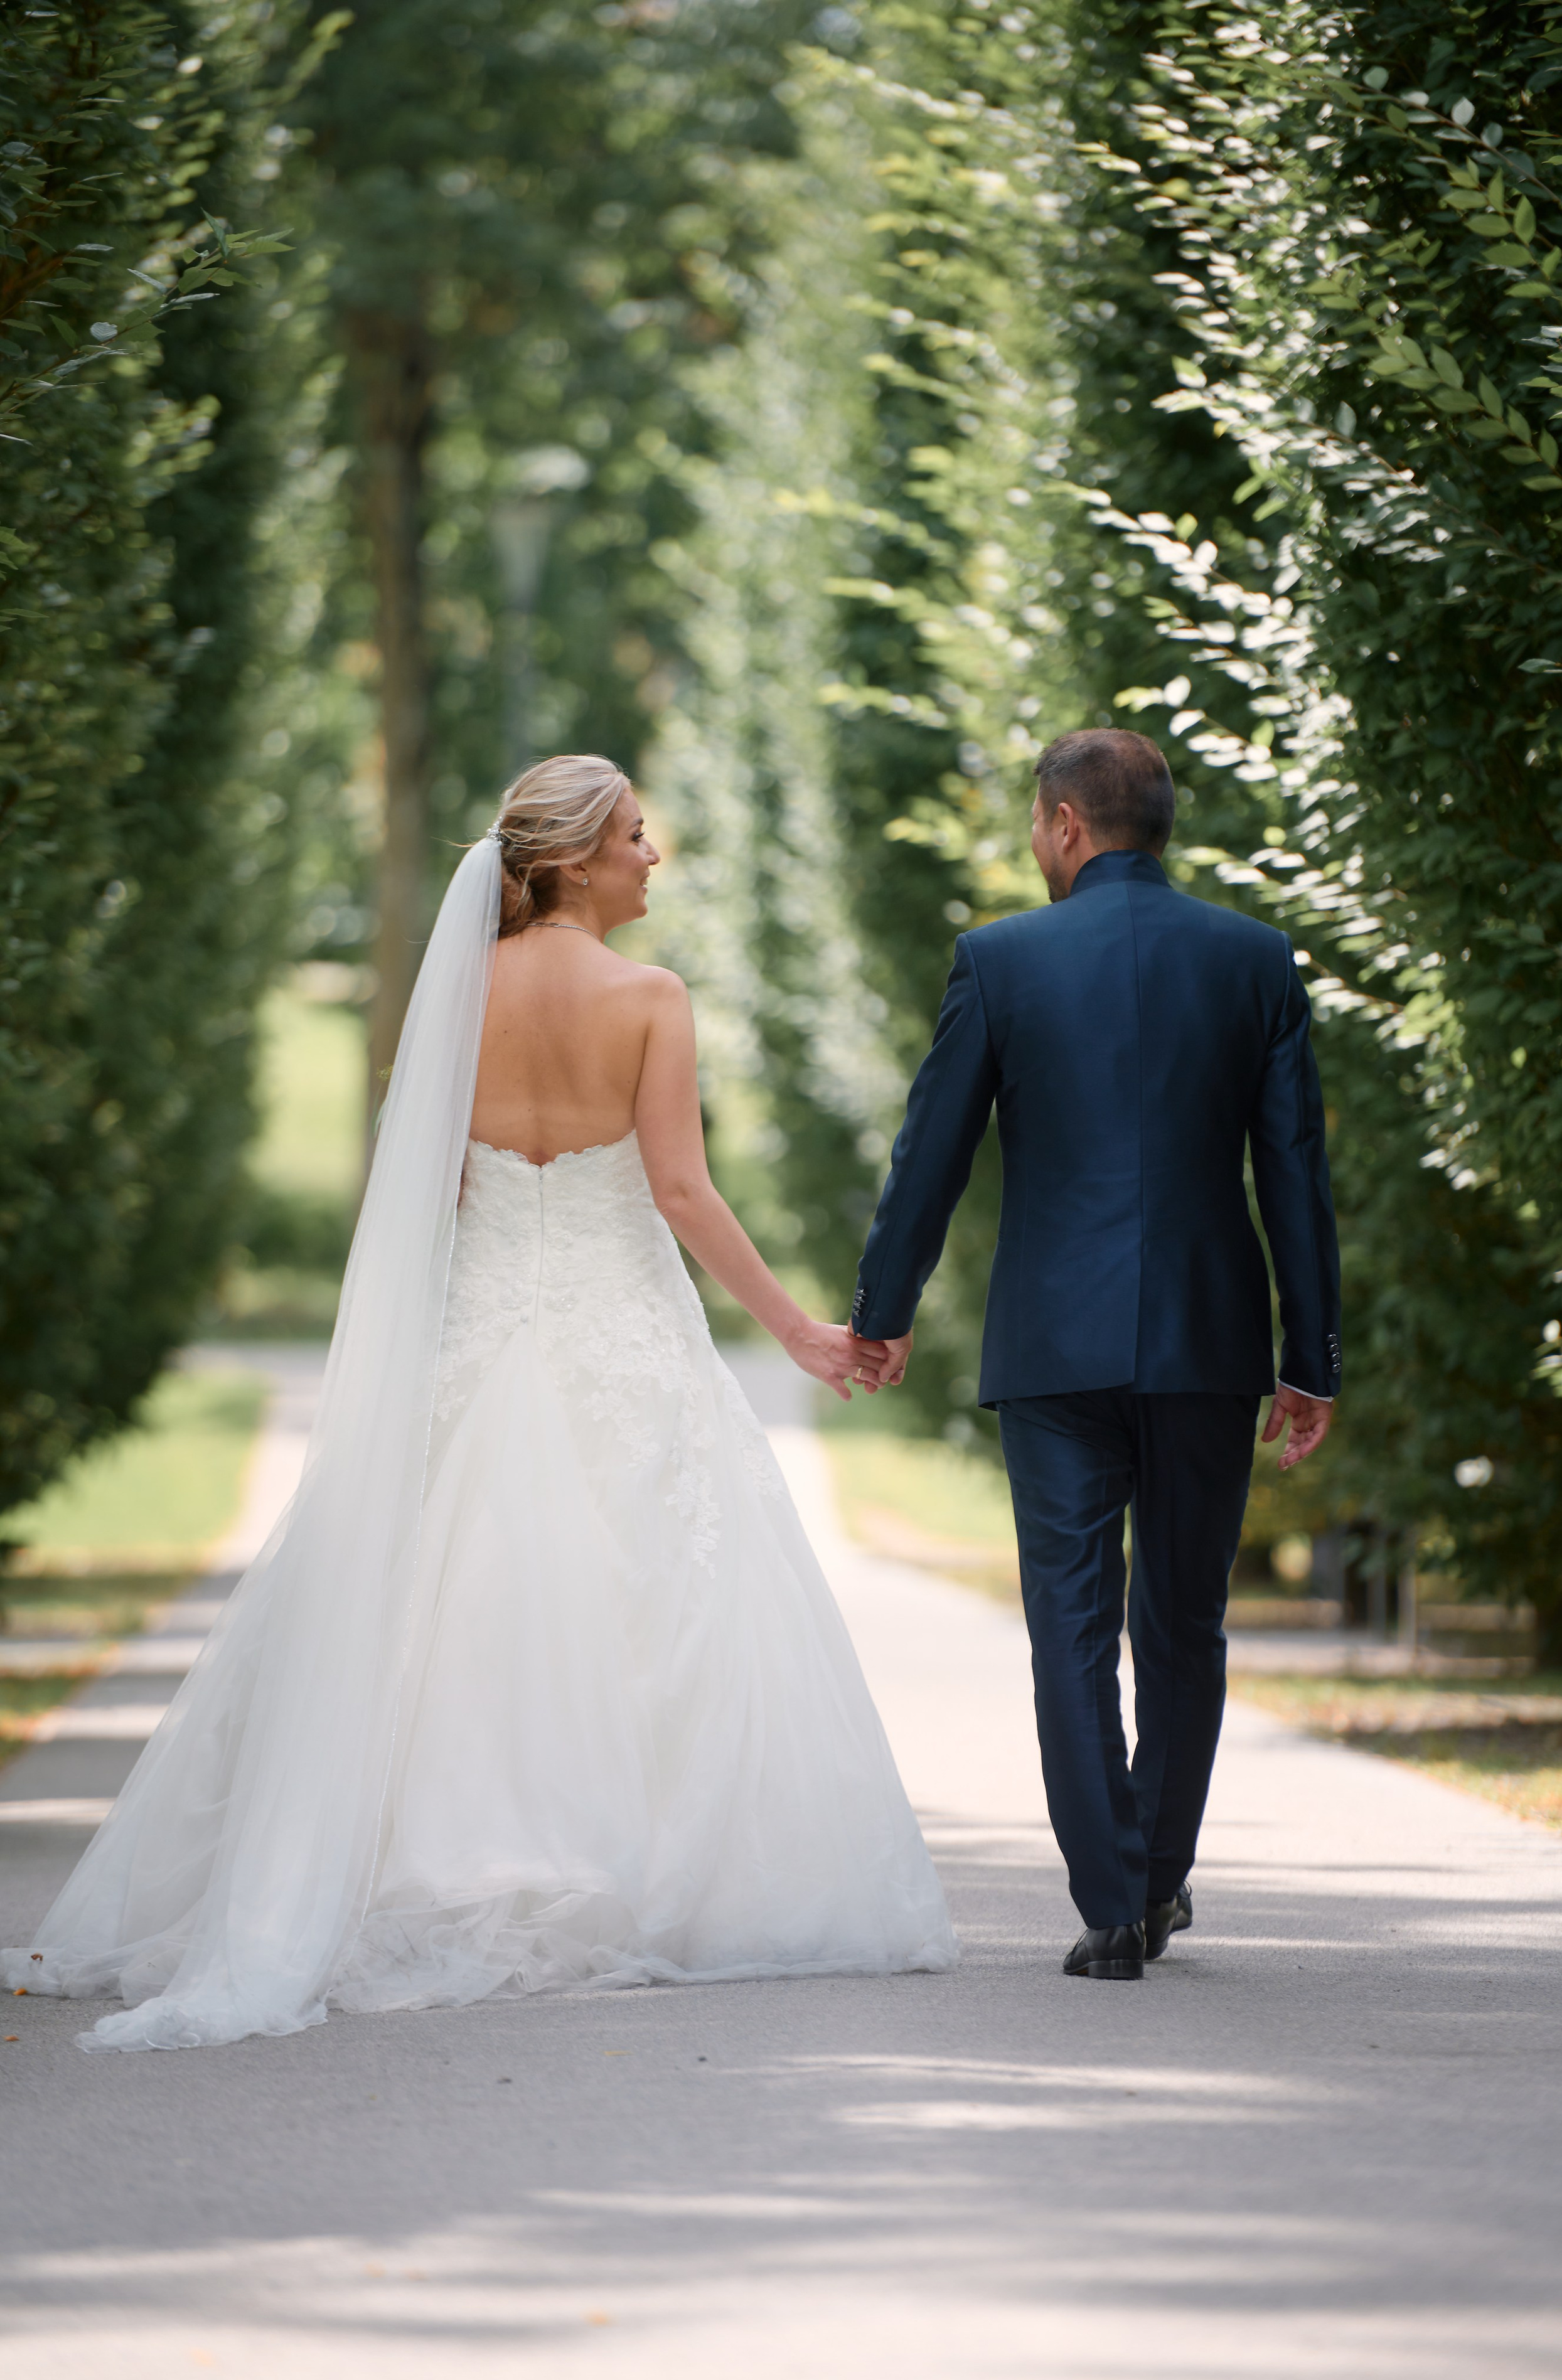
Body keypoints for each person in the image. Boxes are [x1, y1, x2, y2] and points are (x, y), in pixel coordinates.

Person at [4, 755, 955, 2051]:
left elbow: (432, 1194)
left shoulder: (457, 997)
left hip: (481, 1331)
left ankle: (415, 1865)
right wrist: (799, 1332)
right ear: (571, 861)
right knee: (647, 1592)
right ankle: (632, 1877)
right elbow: (680, 1192)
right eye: (633, 835)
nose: (652, 855)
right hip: (623, 1337)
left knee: (444, 1596)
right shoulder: (650, 998)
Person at [851, 728, 1340, 1980]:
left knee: (1069, 1624)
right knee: (1184, 1622)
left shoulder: (998, 960)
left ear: (1065, 824)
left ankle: (1112, 1904)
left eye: (1035, 820)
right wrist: (1311, 1358)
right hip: (1206, 1339)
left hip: (1052, 1345)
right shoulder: (1253, 960)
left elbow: (929, 1155)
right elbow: (1293, 1172)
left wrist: (882, 1308)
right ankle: (1158, 1878)